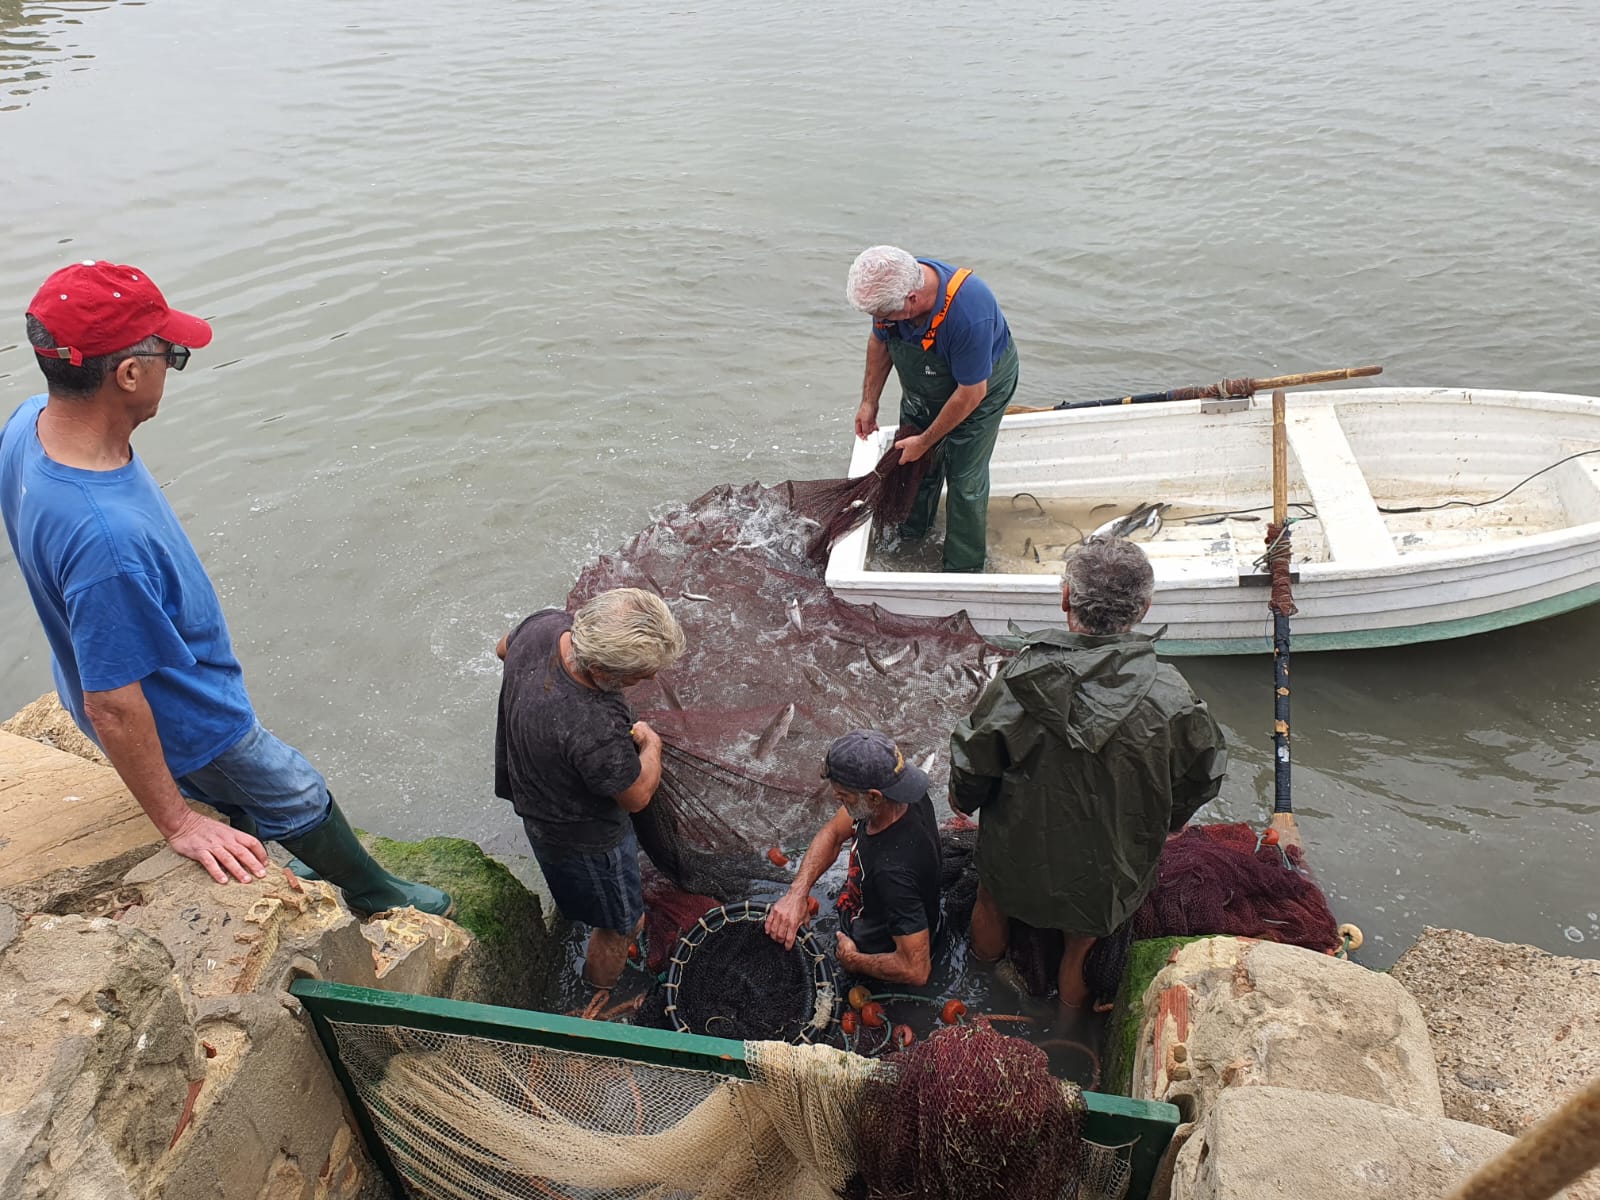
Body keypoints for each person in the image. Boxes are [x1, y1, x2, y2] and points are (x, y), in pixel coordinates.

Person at [0, 260, 451, 916]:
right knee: (294, 789)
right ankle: (376, 892)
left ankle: (243, 828)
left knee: (245, 799)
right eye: (169, 355)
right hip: (187, 715)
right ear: (129, 374)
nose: (170, 368)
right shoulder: (105, 538)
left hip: (110, 676)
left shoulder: (28, 425)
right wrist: (177, 823)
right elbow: (114, 706)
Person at [948, 537, 1226, 1009]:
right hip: (1109, 870)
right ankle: (1069, 1026)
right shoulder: (1173, 696)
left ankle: (979, 993)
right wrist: (1172, 820)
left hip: (1018, 855)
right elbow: (1203, 774)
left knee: (990, 902)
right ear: (1143, 608)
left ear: (1065, 599)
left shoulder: (1018, 681)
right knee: (1082, 941)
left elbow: (971, 769)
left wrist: (963, 798)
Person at [494, 587, 685, 988]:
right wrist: (652, 745)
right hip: (584, 838)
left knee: (576, 887)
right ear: (601, 669)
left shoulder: (545, 626)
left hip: (533, 798)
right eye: (642, 673)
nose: (650, 678)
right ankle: (595, 993)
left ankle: (581, 907)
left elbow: (502, 650)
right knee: (622, 925)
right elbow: (637, 796)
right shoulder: (595, 725)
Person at [845, 245, 1021, 574]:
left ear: (912, 299)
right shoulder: (888, 291)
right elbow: (879, 343)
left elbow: (971, 393)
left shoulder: (970, 313)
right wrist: (869, 401)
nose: (880, 321)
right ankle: (911, 537)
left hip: (979, 389)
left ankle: (964, 568)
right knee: (914, 465)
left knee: (964, 478)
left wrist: (926, 440)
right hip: (923, 388)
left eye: (885, 316)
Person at [764, 730, 941, 987]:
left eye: (843, 797)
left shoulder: (893, 872)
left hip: (880, 954)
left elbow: (916, 969)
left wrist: (853, 959)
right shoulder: (901, 795)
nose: (838, 801)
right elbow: (834, 833)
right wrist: (796, 895)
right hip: (869, 909)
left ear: (874, 797)